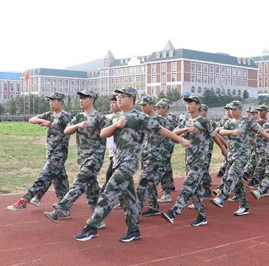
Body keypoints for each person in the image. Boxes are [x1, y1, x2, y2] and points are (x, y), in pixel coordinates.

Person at [73, 87, 190, 243]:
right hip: (117, 161)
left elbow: (161, 130)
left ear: (131, 99)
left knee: (109, 191)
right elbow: (103, 133)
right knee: (128, 199)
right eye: (118, 96)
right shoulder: (116, 117)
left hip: (129, 163)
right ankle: (133, 230)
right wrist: (116, 125)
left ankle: (91, 227)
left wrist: (180, 139)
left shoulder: (139, 117)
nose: (118, 99)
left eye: (122, 96)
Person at [43, 90, 109, 224]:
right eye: (80, 98)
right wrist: (78, 125)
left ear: (92, 100)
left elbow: (109, 131)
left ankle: (61, 209)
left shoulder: (100, 117)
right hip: (83, 157)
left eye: (84, 98)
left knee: (80, 181)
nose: (81, 100)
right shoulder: (79, 116)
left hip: (95, 157)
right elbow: (66, 130)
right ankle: (98, 219)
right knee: (91, 189)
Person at [161, 96, 227, 226]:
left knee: (188, 183)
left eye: (191, 103)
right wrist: (186, 129)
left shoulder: (204, 121)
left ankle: (174, 211)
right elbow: (174, 133)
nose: (188, 105)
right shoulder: (185, 122)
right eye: (187, 103)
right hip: (189, 159)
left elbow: (214, 135)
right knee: (195, 189)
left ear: (198, 106)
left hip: (201, 159)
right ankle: (202, 216)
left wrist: (223, 149)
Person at [210, 101, 269, 216]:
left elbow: (261, 131)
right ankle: (244, 206)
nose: (232, 111)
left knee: (232, 173)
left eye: (234, 109)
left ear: (240, 110)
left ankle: (221, 197)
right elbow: (221, 131)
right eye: (230, 109)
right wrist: (233, 132)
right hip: (231, 155)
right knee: (238, 182)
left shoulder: (248, 121)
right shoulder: (229, 122)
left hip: (242, 154)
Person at [7, 92, 71, 211]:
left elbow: (66, 127)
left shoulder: (65, 116)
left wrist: (51, 124)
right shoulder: (49, 115)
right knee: (60, 180)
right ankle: (65, 204)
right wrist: (43, 121)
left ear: (61, 102)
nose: (51, 103)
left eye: (54, 101)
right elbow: (31, 119)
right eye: (50, 101)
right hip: (51, 153)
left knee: (44, 176)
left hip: (59, 154)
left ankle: (24, 200)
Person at [135, 96, 175, 217]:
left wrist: (165, 155)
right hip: (145, 155)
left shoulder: (161, 120)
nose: (142, 107)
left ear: (151, 105)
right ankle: (153, 207)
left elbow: (172, 136)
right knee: (149, 182)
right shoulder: (142, 120)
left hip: (158, 158)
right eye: (141, 105)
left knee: (145, 182)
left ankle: (136, 211)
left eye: (144, 105)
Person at [157, 99, 179, 203]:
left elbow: (174, 131)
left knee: (163, 168)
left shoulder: (169, 119)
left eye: (159, 108)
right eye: (156, 108)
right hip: (161, 146)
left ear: (166, 109)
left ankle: (167, 192)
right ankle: (170, 185)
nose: (157, 110)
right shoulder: (158, 118)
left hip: (166, 146)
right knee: (167, 166)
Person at [102, 94, 121, 191]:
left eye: (114, 102)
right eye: (111, 102)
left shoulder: (123, 117)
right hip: (111, 152)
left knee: (110, 174)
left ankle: (104, 192)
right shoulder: (108, 117)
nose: (111, 104)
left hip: (119, 152)